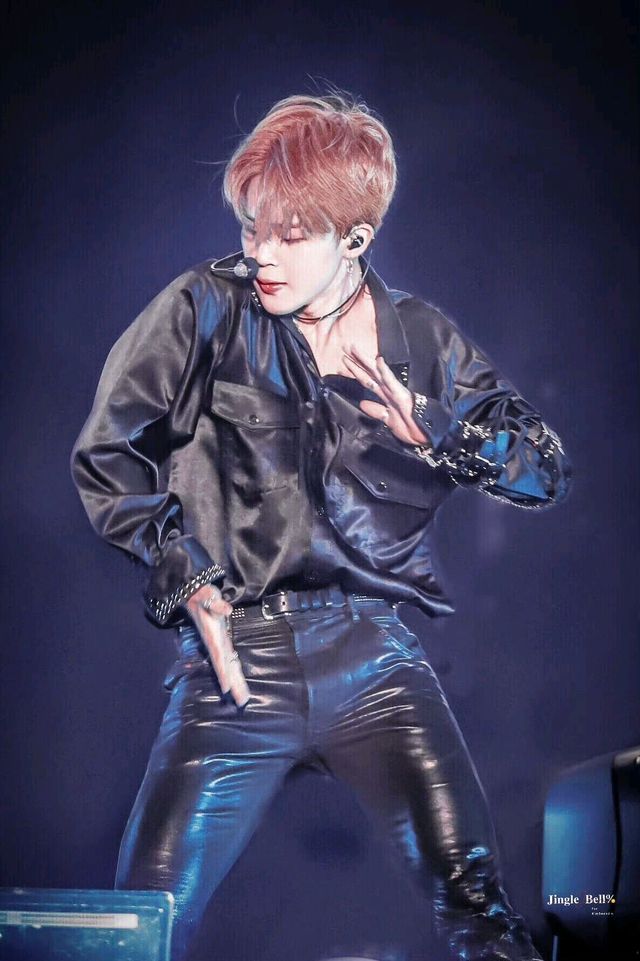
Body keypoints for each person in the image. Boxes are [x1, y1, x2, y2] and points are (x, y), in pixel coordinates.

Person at [70, 90, 572, 961]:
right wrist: (186, 574)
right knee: (139, 926)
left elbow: (544, 468)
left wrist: (445, 434)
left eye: (291, 234)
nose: (261, 252)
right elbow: (106, 452)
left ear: (355, 238)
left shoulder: (421, 340)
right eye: (252, 228)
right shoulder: (203, 309)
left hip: (375, 659)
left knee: (480, 911)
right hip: (238, 662)